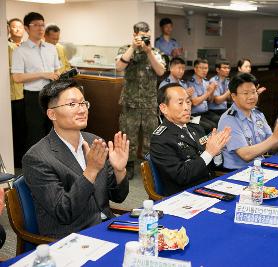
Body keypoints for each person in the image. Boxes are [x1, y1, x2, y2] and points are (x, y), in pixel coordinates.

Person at [22, 79, 129, 239]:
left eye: (83, 103)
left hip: (107, 227)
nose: (82, 110)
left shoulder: (94, 141)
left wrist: (119, 170)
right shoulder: (37, 158)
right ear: (52, 114)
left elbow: (118, 197)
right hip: (72, 238)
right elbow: (64, 212)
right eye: (72, 104)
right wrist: (91, 170)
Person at [150, 83, 231, 196]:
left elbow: (211, 167)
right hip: (185, 196)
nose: (186, 107)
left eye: (188, 102)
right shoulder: (160, 139)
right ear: (164, 108)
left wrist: (216, 152)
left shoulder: (196, 128)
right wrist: (209, 152)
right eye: (180, 103)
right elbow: (182, 176)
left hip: (209, 187)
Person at [115, 21, 166, 178]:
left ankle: (150, 165)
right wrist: (133, 47)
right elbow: (119, 67)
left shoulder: (156, 51)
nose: (143, 39)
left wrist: (148, 51)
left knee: (151, 138)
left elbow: (160, 71)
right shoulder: (125, 49)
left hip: (150, 103)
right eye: (140, 36)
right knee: (128, 137)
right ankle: (128, 165)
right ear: (134, 35)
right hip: (130, 103)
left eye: (146, 36)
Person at [218, 73, 278, 170]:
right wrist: (275, 137)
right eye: (246, 93)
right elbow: (246, 155)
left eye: (253, 92)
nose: (252, 97)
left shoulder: (258, 114)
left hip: (260, 167)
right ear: (234, 96)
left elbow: (274, 147)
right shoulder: (229, 119)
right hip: (238, 171)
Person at [11, 12, 60, 150]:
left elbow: (57, 71)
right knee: (35, 132)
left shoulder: (51, 48)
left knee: (53, 128)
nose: (40, 28)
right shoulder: (20, 51)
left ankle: (54, 163)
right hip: (33, 97)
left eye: (42, 25)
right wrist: (43, 75)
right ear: (27, 28)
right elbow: (17, 77)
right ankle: (36, 165)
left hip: (52, 94)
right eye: (36, 25)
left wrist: (57, 76)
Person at [8, 18, 25, 167]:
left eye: (20, 27)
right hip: (13, 95)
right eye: (14, 27)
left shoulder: (26, 46)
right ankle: (16, 160)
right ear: (9, 29)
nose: (18, 29)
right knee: (15, 128)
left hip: (27, 93)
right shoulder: (7, 46)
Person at [187, 59, 220, 133]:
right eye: (201, 68)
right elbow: (195, 102)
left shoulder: (206, 82)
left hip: (206, 112)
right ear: (195, 69)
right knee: (210, 126)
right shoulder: (190, 83)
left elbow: (210, 100)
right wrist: (209, 92)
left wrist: (212, 91)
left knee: (220, 120)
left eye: (206, 68)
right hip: (195, 114)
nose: (204, 70)